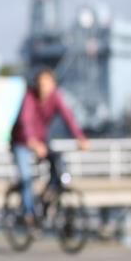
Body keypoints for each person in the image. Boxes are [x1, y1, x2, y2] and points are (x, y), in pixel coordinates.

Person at [10, 67, 90, 222]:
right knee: (26, 178)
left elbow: (68, 118)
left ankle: (48, 195)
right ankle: (28, 214)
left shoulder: (55, 97)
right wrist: (33, 142)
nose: (43, 88)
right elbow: (25, 122)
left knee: (58, 165)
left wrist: (80, 138)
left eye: (47, 84)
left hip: (42, 139)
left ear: (53, 85)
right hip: (22, 141)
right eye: (41, 84)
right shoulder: (29, 97)